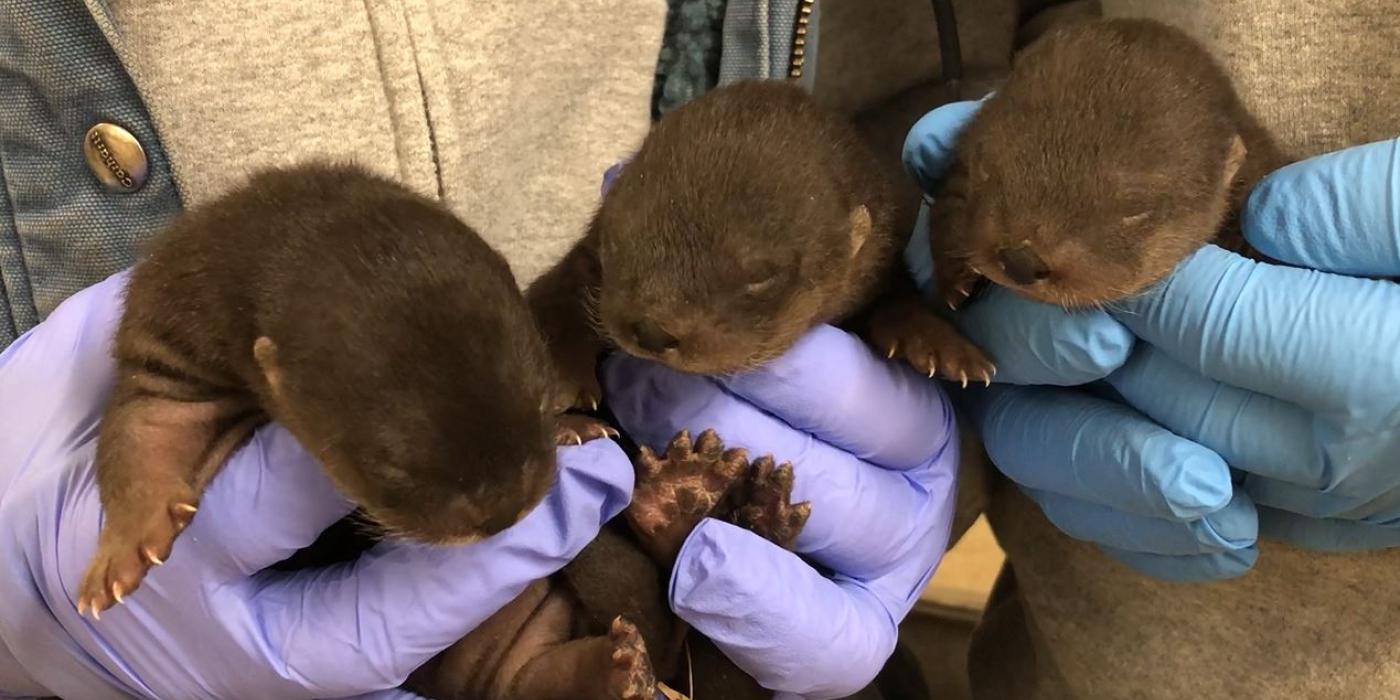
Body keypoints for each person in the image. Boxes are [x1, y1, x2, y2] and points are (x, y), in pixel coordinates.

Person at [0, 2, 956, 698]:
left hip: (640, 543)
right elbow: (163, 402)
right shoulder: (198, 310)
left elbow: (977, 94)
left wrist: (966, 423)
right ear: (272, 366)